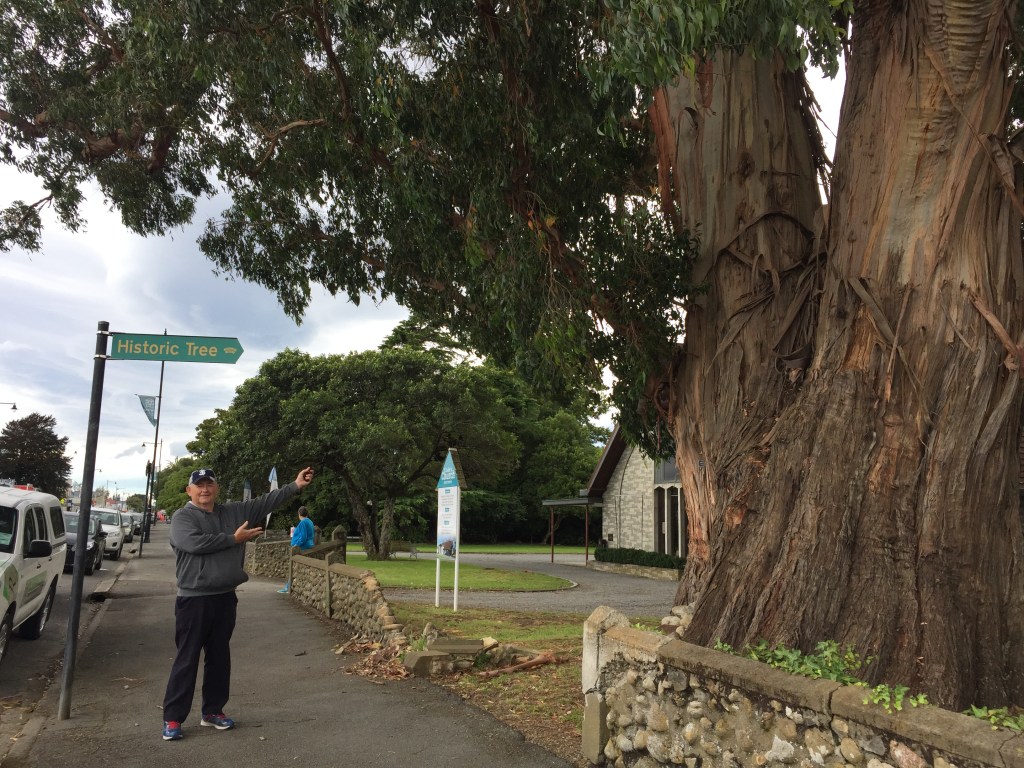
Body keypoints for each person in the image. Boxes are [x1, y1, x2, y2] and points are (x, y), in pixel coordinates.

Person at [161, 465, 314, 742]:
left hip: (225, 596)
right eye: (199, 485)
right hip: (193, 599)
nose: (205, 489)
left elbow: (266, 501)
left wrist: (295, 485)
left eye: (209, 484)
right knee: (187, 658)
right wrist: (234, 539)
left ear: (216, 488)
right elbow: (193, 543)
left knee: (219, 657)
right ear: (189, 490)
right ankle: (173, 718)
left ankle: (212, 711)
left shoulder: (233, 512)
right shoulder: (182, 517)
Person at [278, 506, 314, 593]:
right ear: (307, 513)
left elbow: (303, 537)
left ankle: (288, 587)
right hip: (309, 544)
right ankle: (288, 586)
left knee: (292, 566)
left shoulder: (303, 522)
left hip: (302, 546)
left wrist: (296, 545)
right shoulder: (310, 521)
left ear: (299, 514)